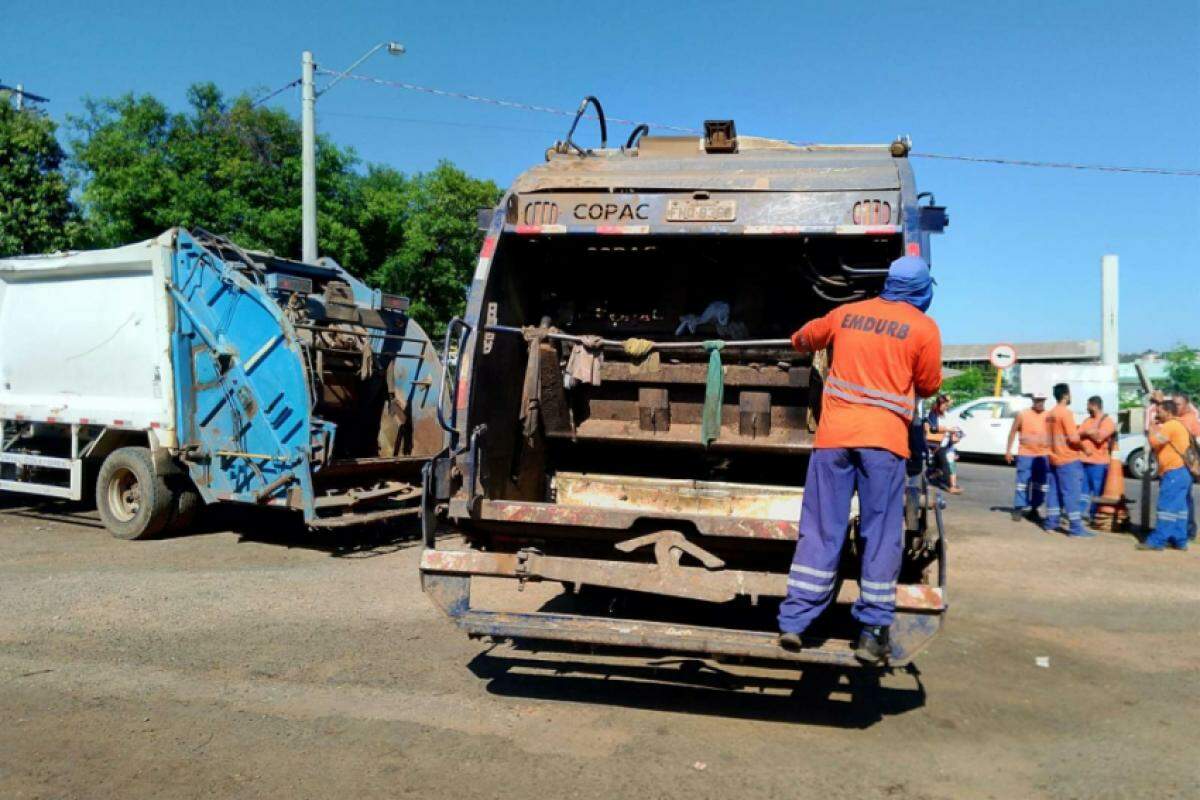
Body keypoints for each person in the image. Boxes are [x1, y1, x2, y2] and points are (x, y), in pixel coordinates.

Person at [777, 255, 942, 665]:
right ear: (922, 290)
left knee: (820, 528)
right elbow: (928, 384)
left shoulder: (847, 313)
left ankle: (795, 623)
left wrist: (801, 342)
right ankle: (872, 632)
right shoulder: (924, 328)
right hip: (884, 445)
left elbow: (803, 338)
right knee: (881, 533)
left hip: (834, 441)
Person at [1137, 399, 1193, 551]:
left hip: (1173, 472)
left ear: (1168, 412)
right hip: (1183, 473)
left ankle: (1157, 541)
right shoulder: (1179, 424)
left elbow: (1155, 442)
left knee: (1166, 508)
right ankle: (1180, 540)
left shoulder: (1170, 426)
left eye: (1160, 411)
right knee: (1180, 510)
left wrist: (1151, 428)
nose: (1157, 414)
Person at [1044, 382, 1091, 537]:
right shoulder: (1065, 413)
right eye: (1069, 393)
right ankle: (1076, 529)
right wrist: (1085, 449)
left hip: (1053, 458)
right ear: (1065, 395)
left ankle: (1051, 524)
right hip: (1068, 459)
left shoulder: (1049, 414)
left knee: (1054, 493)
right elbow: (1073, 438)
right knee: (1072, 494)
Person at [1005, 393, 1050, 522]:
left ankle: (1034, 509)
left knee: (1040, 485)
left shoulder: (1048, 416)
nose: (1040, 403)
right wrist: (1008, 451)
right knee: (1022, 483)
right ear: (1033, 400)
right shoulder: (1023, 414)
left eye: (1042, 400)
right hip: (1026, 454)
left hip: (1042, 456)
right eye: (1037, 400)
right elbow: (1013, 431)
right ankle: (1018, 508)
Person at [1078, 395, 1116, 524]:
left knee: (1097, 491)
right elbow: (1077, 434)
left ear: (1094, 405)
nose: (1086, 408)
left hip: (1099, 462)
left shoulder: (1107, 421)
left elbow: (1100, 437)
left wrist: (1087, 433)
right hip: (1085, 461)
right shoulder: (1087, 420)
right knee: (1083, 490)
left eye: (1088, 405)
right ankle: (1080, 514)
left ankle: (1094, 515)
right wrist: (1089, 432)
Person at [1171, 392, 1199, 540]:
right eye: (1173, 404)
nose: (1175, 407)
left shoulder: (1190, 420)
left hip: (1185, 466)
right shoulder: (1175, 419)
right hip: (1173, 466)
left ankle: (1188, 530)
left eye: (1178, 404)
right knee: (1179, 500)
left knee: (1185, 499)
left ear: (1186, 405)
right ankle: (1179, 531)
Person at [924, 394, 962, 494]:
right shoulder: (933, 414)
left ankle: (928, 477)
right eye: (945, 405)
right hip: (935, 444)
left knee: (940, 467)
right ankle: (950, 486)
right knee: (945, 465)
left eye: (947, 405)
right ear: (939, 404)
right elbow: (933, 428)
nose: (946, 407)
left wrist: (955, 434)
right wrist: (948, 429)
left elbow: (954, 427)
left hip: (945, 443)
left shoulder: (946, 415)